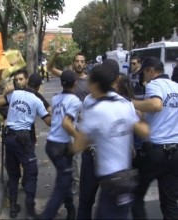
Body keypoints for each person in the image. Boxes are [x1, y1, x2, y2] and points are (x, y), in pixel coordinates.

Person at [72, 64, 149, 219]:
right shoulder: (125, 103)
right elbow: (144, 131)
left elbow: (79, 143)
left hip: (103, 168)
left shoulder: (95, 107)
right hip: (123, 174)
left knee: (88, 202)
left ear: (95, 84)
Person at [0, 69, 51, 219]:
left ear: (27, 82)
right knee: (31, 172)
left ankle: (13, 208)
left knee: (13, 174)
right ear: (38, 87)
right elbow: (48, 121)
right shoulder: (37, 100)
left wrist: (5, 94)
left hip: (9, 137)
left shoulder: (15, 95)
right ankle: (30, 210)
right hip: (23, 139)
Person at [131, 57, 178, 219]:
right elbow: (148, 114)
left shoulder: (154, 85)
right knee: (170, 202)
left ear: (151, 70)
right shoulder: (176, 87)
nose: (144, 76)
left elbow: (156, 106)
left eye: (144, 72)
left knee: (136, 195)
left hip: (156, 151)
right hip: (175, 152)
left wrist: (132, 103)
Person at [77, 59, 120, 220]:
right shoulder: (123, 102)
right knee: (110, 205)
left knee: (86, 201)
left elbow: (83, 128)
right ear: (117, 79)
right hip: (114, 159)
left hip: (91, 155)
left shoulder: (89, 99)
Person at [41, 70, 81, 220]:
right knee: (62, 185)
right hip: (60, 147)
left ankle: (71, 211)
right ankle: (48, 215)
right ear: (75, 83)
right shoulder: (75, 101)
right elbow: (67, 123)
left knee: (65, 180)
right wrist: (79, 137)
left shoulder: (56, 98)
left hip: (52, 145)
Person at [47, 49, 89, 193]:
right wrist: (56, 54)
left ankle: (80, 181)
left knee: (83, 154)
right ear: (73, 63)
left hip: (83, 122)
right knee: (72, 154)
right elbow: (49, 68)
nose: (79, 64)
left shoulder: (89, 81)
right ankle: (72, 181)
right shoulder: (68, 76)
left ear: (85, 64)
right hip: (68, 123)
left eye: (82, 62)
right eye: (77, 61)